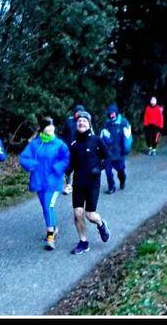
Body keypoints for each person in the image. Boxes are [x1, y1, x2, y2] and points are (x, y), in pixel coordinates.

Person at [19, 117, 70, 250]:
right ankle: (54, 227)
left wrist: (57, 168)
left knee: (48, 206)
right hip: (39, 181)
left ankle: (50, 236)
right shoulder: (35, 144)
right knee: (46, 207)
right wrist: (32, 164)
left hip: (53, 181)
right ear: (42, 128)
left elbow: (66, 159)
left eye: (52, 125)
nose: (51, 128)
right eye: (48, 125)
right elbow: (23, 158)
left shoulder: (59, 144)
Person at [69, 111, 111, 255]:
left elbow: (108, 157)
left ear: (89, 124)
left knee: (90, 214)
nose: (81, 123)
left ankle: (101, 224)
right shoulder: (74, 144)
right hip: (78, 183)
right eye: (79, 121)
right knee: (77, 213)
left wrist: (98, 168)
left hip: (93, 183)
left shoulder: (97, 140)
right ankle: (83, 242)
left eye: (84, 121)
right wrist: (64, 176)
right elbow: (70, 165)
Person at [100, 103, 132, 194]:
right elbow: (102, 138)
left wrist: (125, 150)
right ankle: (111, 187)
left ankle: (122, 180)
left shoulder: (123, 123)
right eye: (110, 113)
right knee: (108, 171)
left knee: (121, 171)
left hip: (119, 153)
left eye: (113, 113)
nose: (111, 115)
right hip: (109, 153)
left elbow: (127, 138)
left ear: (116, 112)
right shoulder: (107, 124)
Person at [60, 104, 85, 195]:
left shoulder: (84, 122)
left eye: (80, 112)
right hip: (68, 149)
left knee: (80, 167)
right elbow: (63, 133)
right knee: (68, 168)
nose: (78, 113)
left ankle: (79, 185)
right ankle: (68, 186)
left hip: (79, 148)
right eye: (77, 112)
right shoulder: (69, 121)